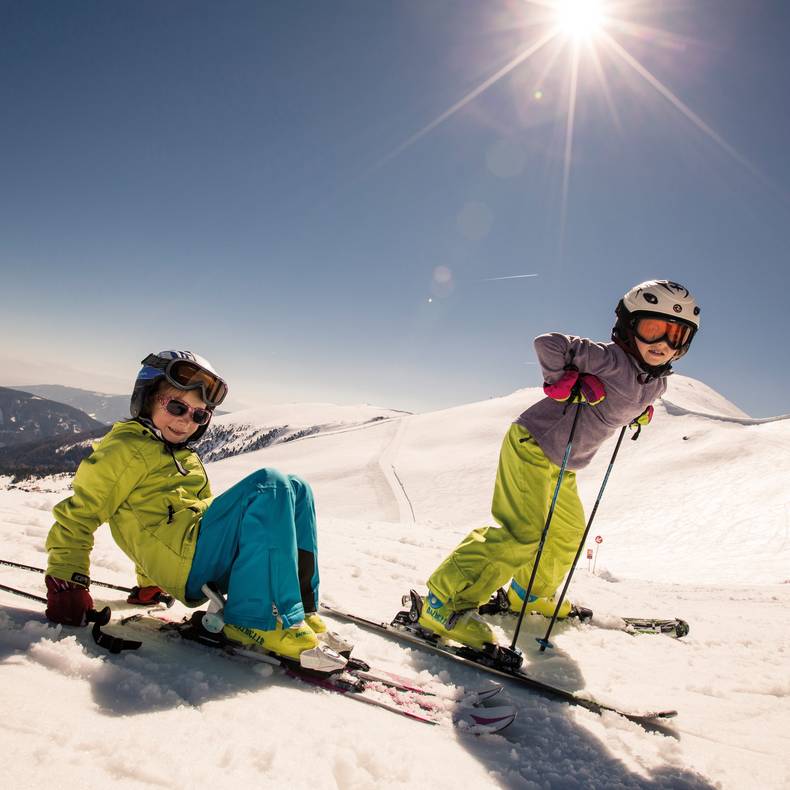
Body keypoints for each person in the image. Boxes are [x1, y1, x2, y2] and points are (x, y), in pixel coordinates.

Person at [417, 280, 701, 650]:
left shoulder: (656, 383)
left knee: (567, 533)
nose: (663, 344)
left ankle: (529, 596)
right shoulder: (608, 358)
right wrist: (561, 382)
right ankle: (443, 603)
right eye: (653, 329)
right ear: (629, 328)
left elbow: (632, 397)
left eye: (676, 335)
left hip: (564, 465)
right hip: (532, 445)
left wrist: (638, 413)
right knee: (524, 533)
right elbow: (547, 343)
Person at [44, 350, 345, 672]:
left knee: (296, 487)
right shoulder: (126, 449)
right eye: (177, 406)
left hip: (195, 559)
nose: (186, 421)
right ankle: (259, 620)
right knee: (270, 484)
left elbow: (155, 520)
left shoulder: (181, 456)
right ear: (147, 400)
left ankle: (299, 609)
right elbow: (80, 514)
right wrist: (67, 581)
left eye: (199, 416)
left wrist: (149, 584)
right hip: (185, 565)